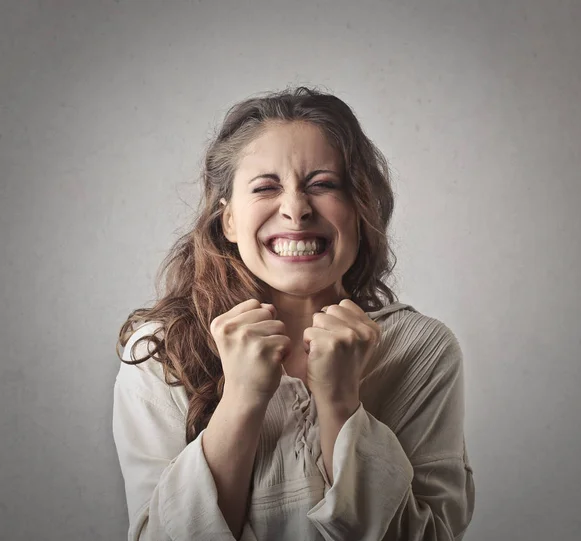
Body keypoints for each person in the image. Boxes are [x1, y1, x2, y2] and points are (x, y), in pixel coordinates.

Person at [112, 86, 475, 541]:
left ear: (359, 210)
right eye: (266, 187)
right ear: (228, 220)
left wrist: (341, 403)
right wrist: (241, 398)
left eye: (323, 185)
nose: (296, 209)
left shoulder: (420, 350)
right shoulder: (160, 353)